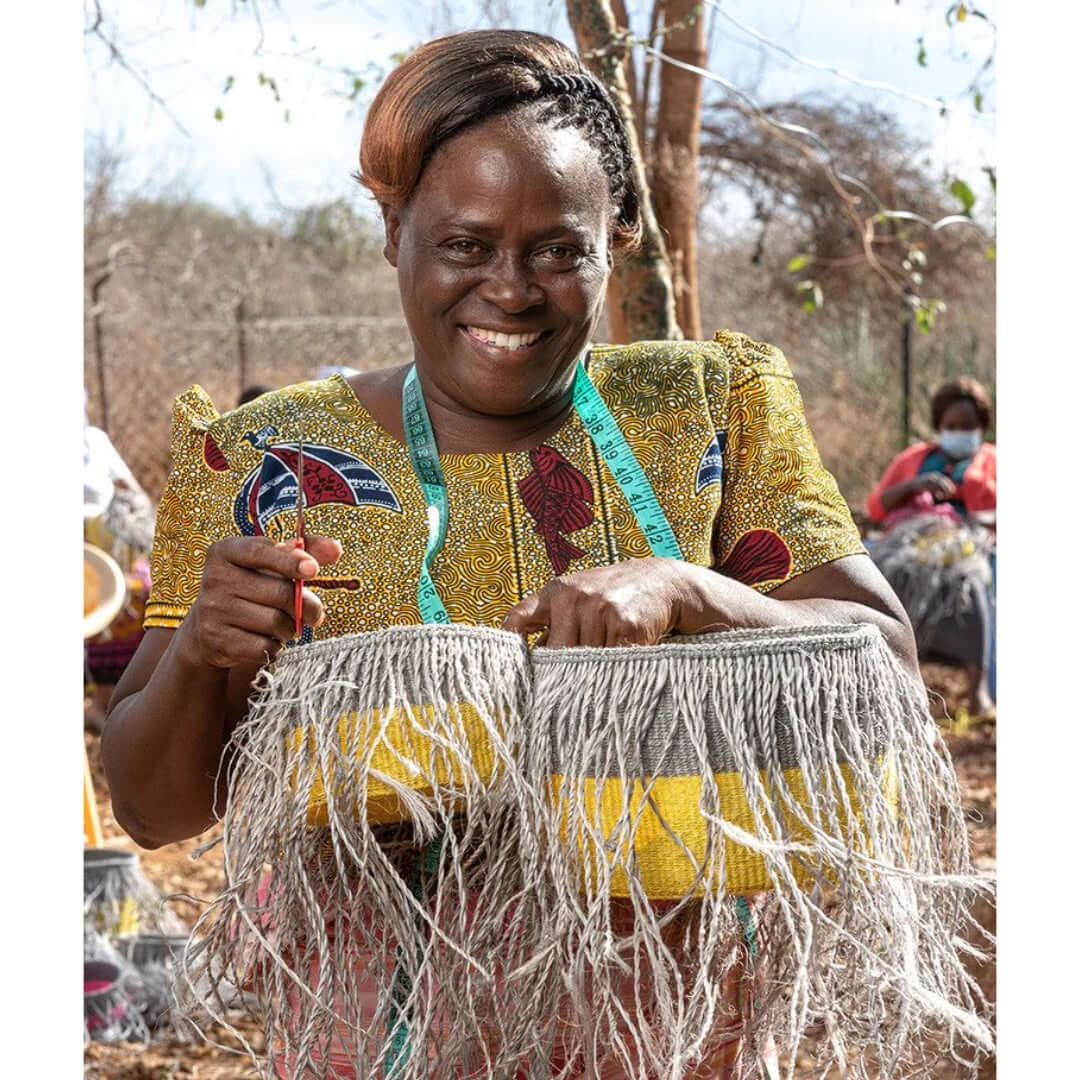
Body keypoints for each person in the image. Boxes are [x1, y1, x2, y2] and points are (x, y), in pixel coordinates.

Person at [103, 30, 917, 1079]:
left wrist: (688, 589)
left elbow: (885, 662)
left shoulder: (708, 412)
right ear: (393, 229)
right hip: (382, 1035)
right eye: (466, 244)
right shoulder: (265, 460)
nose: (511, 288)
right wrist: (211, 661)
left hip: (672, 1028)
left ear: (615, 238)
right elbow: (153, 808)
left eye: (555, 249)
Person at [866, 377, 996, 719]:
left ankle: (978, 688)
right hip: (910, 541)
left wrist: (966, 485)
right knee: (884, 575)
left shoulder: (992, 461)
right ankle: (894, 683)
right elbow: (877, 508)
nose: (959, 432)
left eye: (967, 426)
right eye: (951, 426)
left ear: (981, 426)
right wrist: (915, 485)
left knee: (971, 579)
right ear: (939, 425)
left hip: (967, 543)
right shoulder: (914, 458)